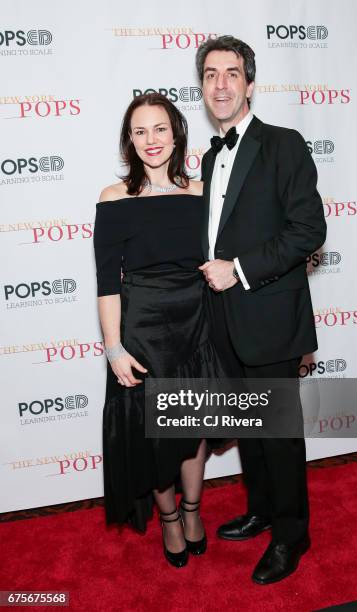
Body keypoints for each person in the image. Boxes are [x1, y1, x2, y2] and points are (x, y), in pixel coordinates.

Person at [196, 36, 327, 584]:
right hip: (223, 319)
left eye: (231, 73)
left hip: (269, 315)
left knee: (278, 432)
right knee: (250, 429)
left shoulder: (284, 144)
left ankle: (292, 535)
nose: (221, 83)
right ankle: (263, 509)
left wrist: (240, 268)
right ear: (202, 87)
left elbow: (309, 230)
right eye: (210, 74)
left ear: (250, 83)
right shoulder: (207, 157)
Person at [93, 93, 224, 568]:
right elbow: (108, 281)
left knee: (194, 430)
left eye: (160, 129)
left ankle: (192, 511)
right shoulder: (114, 199)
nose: (152, 140)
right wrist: (114, 348)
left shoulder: (201, 192)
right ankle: (169, 519)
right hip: (145, 332)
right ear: (129, 139)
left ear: (177, 133)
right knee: (157, 436)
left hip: (198, 325)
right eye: (141, 131)